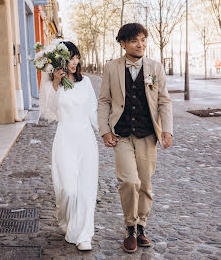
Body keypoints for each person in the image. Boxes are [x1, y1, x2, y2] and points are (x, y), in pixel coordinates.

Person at [98, 23, 173, 253]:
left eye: (143, 40)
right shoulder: (111, 68)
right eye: (134, 41)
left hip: (147, 134)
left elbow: (164, 100)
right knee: (130, 182)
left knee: (145, 184)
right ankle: (130, 226)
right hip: (121, 134)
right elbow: (104, 101)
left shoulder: (155, 67)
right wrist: (105, 130)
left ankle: (141, 226)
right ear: (123, 43)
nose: (140, 45)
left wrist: (167, 129)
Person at [40, 41, 98, 251]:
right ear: (60, 61)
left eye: (77, 57)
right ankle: (65, 220)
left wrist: (107, 133)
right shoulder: (51, 85)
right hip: (65, 139)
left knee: (86, 190)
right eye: (71, 58)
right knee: (68, 189)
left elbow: (93, 111)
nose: (75, 62)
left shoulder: (87, 82)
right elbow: (52, 111)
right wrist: (56, 82)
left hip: (86, 141)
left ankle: (84, 234)